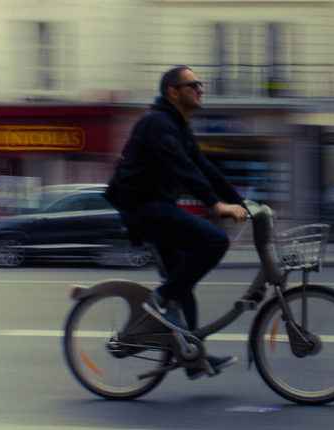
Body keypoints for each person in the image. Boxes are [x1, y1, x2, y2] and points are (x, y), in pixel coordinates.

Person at [105, 66, 248, 380]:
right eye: (193, 84)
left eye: (200, 83)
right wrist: (216, 205)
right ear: (173, 91)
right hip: (144, 208)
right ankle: (159, 301)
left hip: (156, 206)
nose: (200, 88)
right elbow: (183, 167)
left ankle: (191, 357)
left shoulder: (179, 127)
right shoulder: (158, 123)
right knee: (213, 241)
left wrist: (243, 201)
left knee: (183, 285)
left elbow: (205, 167)